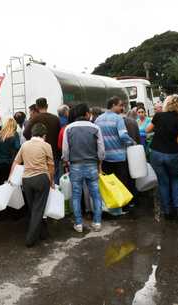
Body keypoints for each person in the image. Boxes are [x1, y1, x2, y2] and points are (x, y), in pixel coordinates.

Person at [62, 104, 105, 233]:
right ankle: (97, 222)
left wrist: (67, 161)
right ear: (86, 114)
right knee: (96, 194)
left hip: (75, 165)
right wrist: (99, 163)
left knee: (76, 195)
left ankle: (79, 224)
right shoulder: (95, 128)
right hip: (92, 164)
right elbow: (101, 150)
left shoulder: (68, 128)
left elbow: (65, 150)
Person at [11, 123, 54, 247]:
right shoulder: (46, 145)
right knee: (38, 209)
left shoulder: (24, 145)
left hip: (27, 180)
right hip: (41, 179)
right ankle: (30, 239)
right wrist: (51, 181)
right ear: (44, 135)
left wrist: (10, 178)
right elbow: (51, 166)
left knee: (34, 208)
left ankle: (43, 233)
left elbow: (16, 162)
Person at [146, 95, 178, 219]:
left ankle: (167, 211)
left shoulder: (158, 116)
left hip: (157, 153)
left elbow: (148, 130)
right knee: (175, 179)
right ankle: (177, 207)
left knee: (163, 182)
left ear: (167, 104)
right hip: (172, 153)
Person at [95, 96, 136, 206]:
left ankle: (112, 205)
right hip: (118, 157)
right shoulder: (118, 119)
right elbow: (123, 136)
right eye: (120, 105)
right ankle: (123, 205)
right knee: (121, 183)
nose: (122, 108)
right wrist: (132, 142)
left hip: (105, 158)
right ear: (113, 105)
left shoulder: (98, 119)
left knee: (110, 184)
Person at [23, 97, 61, 183]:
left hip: (39, 153)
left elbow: (25, 133)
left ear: (36, 107)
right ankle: (54, 194)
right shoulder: (55, 118)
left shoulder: (35, 119)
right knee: (54, 177)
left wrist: (34, 141)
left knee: (42, 177)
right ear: (47, 106)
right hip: (54, 152)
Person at [0, 118, 21, 185]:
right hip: (11, 164)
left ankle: (1, 195)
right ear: (14, 126)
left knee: (0, 183)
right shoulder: (15, 134)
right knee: (11, 183)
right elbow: (17, 147)